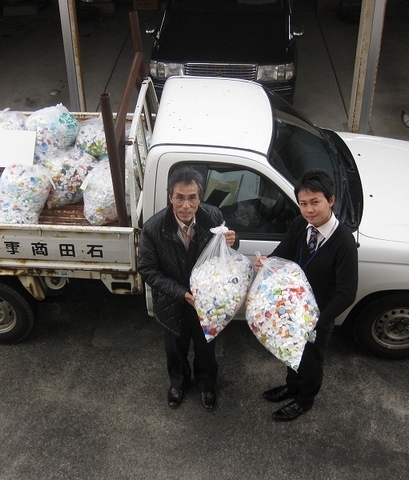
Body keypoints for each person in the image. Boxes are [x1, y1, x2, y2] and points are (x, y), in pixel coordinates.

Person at [255, 169, 358, 421]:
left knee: (311, 360)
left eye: (315, 202)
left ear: (331, 200)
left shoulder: (343, 243)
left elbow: (347, 293)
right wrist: (268, 262)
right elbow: (284, 252)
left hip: (318, 317)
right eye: (303, 203)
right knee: (290, 351)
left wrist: (318, 321)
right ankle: (292, 386)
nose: (309, 210)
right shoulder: (301, 224)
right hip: (291, 307)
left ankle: (304, 400)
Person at [138, 167, 238, 411]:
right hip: (173, 302)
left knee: (206, 349)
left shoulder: (212, 217)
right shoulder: (154, 228)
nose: (186, 205)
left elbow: (225, 252)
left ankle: (206, 386)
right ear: (170, 197)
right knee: (175, 348)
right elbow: (148, 269)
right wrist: (181, 294)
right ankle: (178, 384)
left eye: (192, 197)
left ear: (200, 198)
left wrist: (234, 241)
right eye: (179, 197)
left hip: (206, 303)